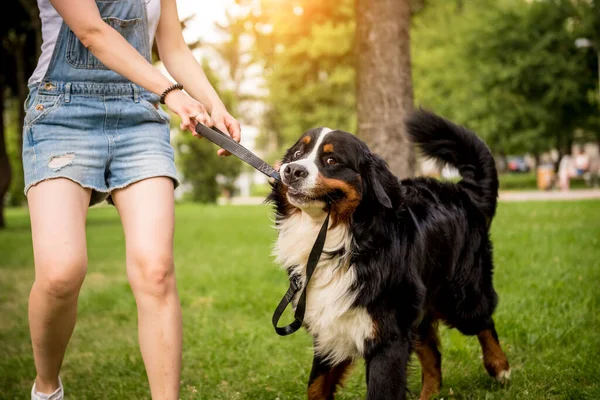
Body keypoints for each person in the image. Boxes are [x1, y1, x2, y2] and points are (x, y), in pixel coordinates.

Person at [23, 1, 240, 399]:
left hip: (139, 116)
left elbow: (172, 46)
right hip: (61, 112)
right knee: (60, 272)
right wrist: (172, 94)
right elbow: (92, 33)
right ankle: (46, 387)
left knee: (156, 270)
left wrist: (213, 103)